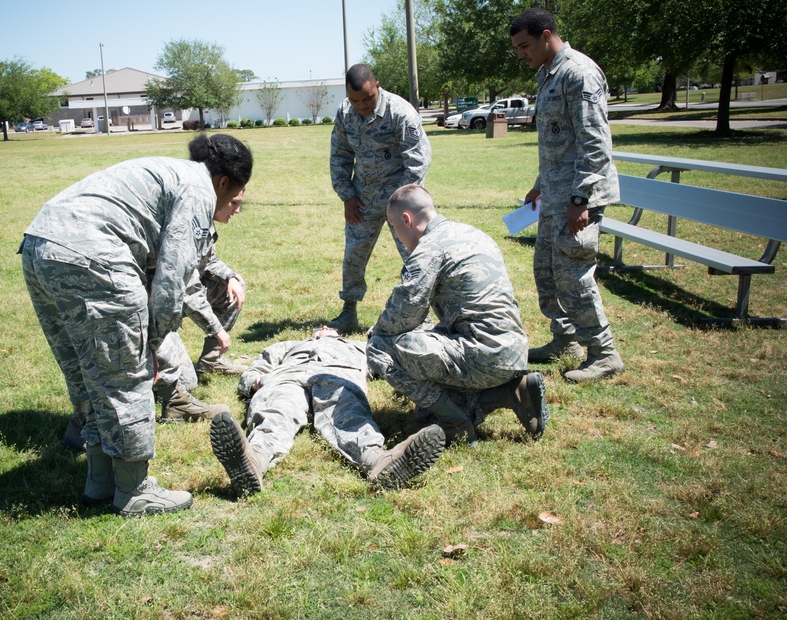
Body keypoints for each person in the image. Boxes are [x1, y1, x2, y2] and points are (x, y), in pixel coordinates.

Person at [21, 133, 253, 517]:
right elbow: (172, 280)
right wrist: (154, 344)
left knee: (86, 372)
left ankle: (100, 481)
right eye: (235, 196)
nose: (232, 204)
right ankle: (134, 489)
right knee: (128, 373)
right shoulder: (199, 190)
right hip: (93, 253)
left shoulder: (170, 171)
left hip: (40, 245)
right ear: (224, 182)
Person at [366, 185, 547, 444]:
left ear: (406, 220)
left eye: (394, 228)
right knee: (429, 343)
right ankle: (512, 392)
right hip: (513, 351)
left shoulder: (428, 249)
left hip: (483, 356)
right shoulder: (472, 233)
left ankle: (455, 422)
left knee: (380, 349)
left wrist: (376, 333)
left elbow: (403, 314)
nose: (396, 234)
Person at [510, 7, 624, 382]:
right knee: (546, 270)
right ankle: (566, 340)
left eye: (525, 45)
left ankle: (604, 352)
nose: (521, 54)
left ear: (546, 35)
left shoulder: (579, 73)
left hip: (577, 198)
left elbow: (594, 143)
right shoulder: (548, 75)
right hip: (555, 195)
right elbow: (560, 140)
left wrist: (581, 200)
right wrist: (541, 184)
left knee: (574, 275)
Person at [209, 326, 445, 498]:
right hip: (287, 377)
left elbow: (387, 365)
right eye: (320, 327)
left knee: (349, 416)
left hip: (337, 377)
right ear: (313, 333)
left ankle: (380, 461)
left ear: (338, 333)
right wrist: (256, 382)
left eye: (330, 327)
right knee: (275, 412)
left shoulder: (359, 347)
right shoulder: (288, 346)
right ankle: (253, 461)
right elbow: (254, 369)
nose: (324, 327)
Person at [328, 63, 432, 333]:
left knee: (415, 257)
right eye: (355, 100)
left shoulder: (400, 112)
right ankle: (348, 312)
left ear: (377, 86)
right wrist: (347, 196)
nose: (361, 105)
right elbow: (339, 155)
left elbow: (417, 160)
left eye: (367, 98)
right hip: (362, 199)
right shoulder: (345, 112)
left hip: (398, 200)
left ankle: (423, 316)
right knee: (353, 255)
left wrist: (401, 203)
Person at [152, 190, 249, 423]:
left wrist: (230, 277)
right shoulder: (188, 222)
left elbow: (207, 261)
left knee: (234, 287)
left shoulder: (203, 221)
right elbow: (187, 288)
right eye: (234, 203)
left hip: (170, 297)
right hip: (156, 304)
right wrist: (216, 329)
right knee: (187, 382)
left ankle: (210, 361)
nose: (237, 211)